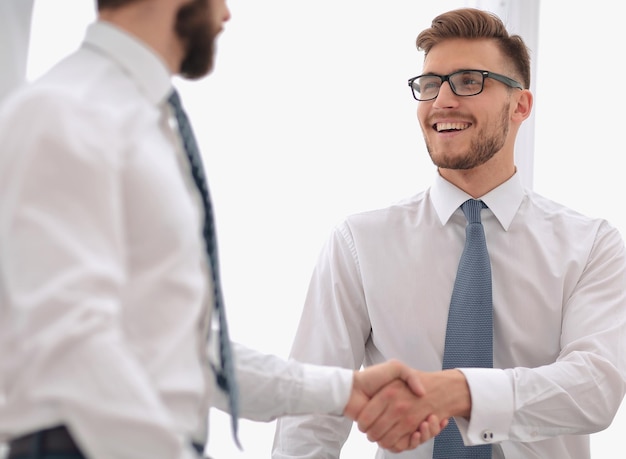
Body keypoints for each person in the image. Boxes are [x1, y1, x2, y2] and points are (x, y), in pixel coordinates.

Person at [0, 1, 447, 458]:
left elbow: (176, 347)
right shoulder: (65, 111)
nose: (227, 15)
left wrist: (343, 390)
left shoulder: (140, 121)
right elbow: (68, 349)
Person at [272, 7, 626, 459]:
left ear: (521, 105)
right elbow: (310, 414)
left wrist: (459, 391)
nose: (442, 101)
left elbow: (595, 388)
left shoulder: (590, 245)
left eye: (468, 81)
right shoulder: (359, 243)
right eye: (430, 84)